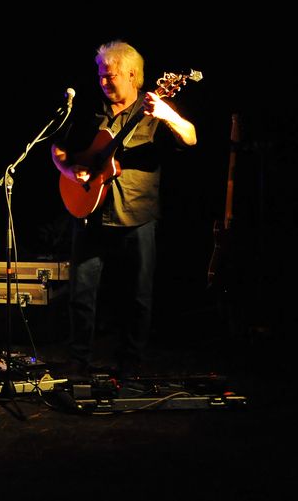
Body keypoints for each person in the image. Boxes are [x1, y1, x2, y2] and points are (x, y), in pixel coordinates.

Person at [50, 40, 197, 379]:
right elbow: (58, 148)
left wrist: (168, 114)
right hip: (90, 212)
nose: (103, 82)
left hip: (136, 213)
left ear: (132, 75)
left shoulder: (154, 111)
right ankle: (78, 358)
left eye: (110, 76)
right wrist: (71, 171)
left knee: (137, 295)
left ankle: (131, 360)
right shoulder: (91, 112)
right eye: (100, 76)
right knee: (82, 292)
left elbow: (191, 138)